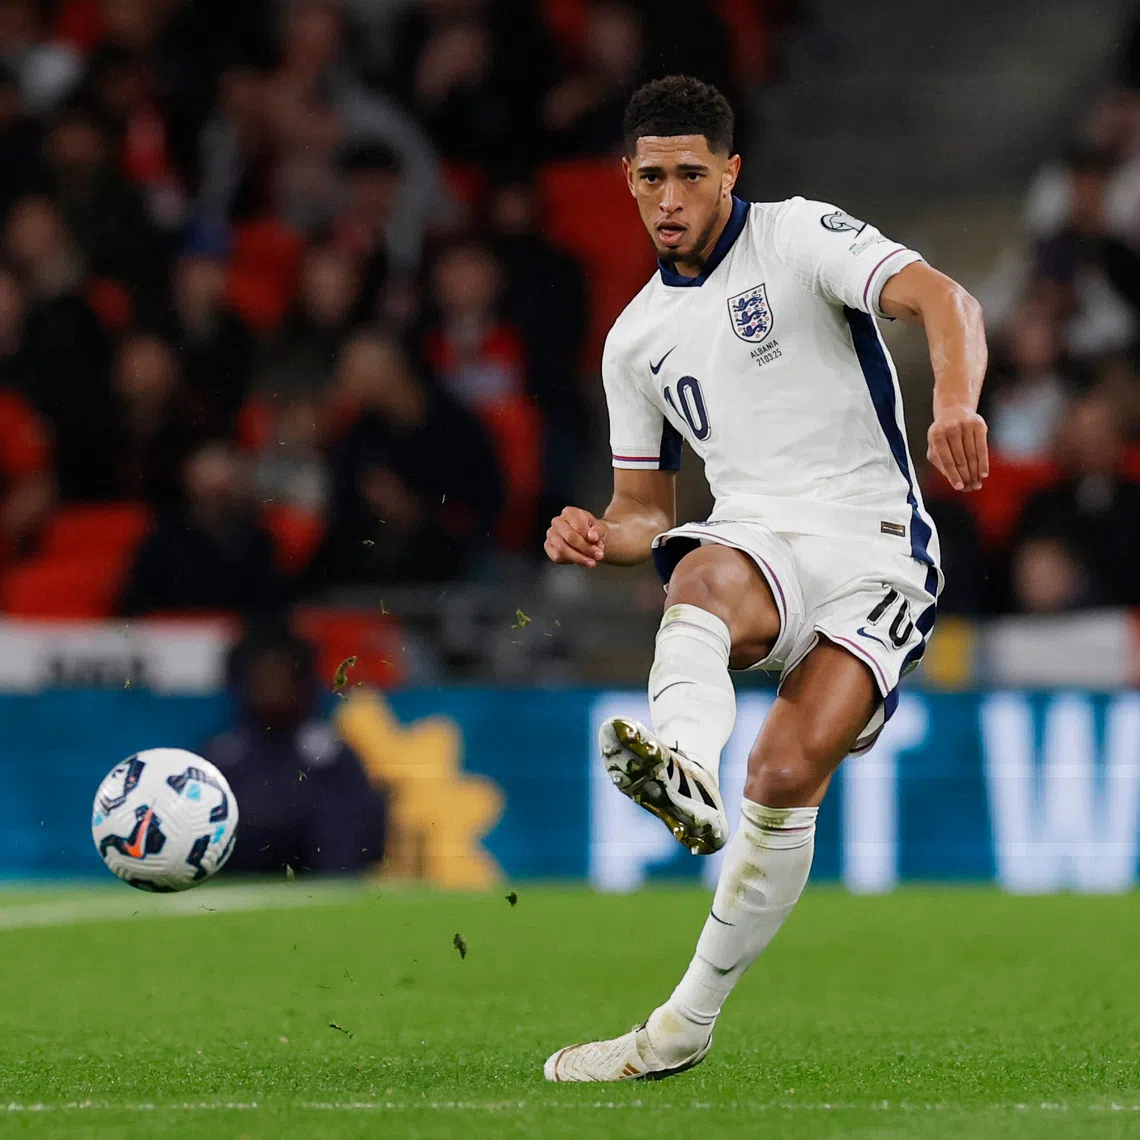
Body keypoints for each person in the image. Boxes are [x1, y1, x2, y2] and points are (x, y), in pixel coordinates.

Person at [541, 76, 989, 1081]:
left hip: (875, 544)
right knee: (692, 576)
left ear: (730, 171)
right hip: (756, 540)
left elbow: (942, 299)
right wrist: (595, 535)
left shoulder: (795, 236)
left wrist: (954, 404)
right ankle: (682, 762)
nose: (671, 197)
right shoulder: (634, 341)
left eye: (691, 174)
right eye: (651, 177)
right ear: (627, 181)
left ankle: (680, 1027)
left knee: (785, 776)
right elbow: (645, 515)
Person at [205, 621, 386, 876]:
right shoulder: (223, 753)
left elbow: (363, 830)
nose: (271, 686)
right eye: (262, 677)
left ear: (300, 681)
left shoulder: (331, 754)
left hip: (320, 880)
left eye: (280, 675)